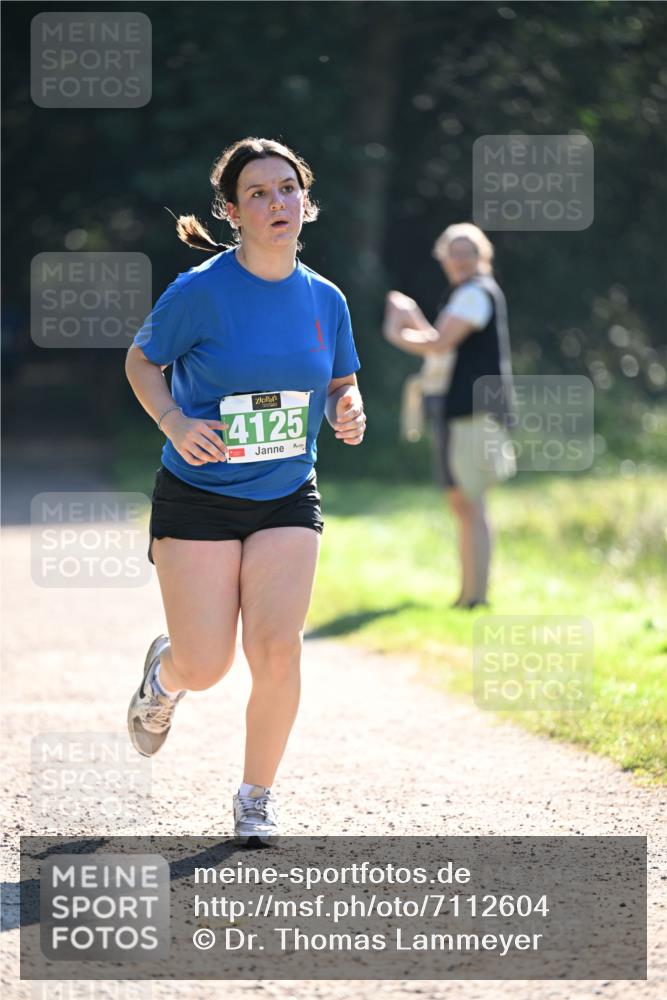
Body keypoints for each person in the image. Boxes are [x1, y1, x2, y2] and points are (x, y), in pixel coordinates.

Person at [124, 137, 365, 843]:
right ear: (232, 211)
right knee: (208, 663)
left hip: (287, 494)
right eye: (257, 193)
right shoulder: (199, 292)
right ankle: (163, 681)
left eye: (286, 188)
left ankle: (255, 798)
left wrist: (346, 408)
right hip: (198, 494)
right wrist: (173, 421)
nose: (276, 202)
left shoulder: (325, 298)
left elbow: (339, 381)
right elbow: (141, 363)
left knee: (277, 648)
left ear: (305, 200)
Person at [384, 222, 515, 608]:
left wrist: (395, 329)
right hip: (462, 411)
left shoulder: (475, 295)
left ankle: (475, 598)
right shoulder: (467, 296)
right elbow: (443, 346)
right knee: (464, 505)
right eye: (452, 253)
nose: (458, 260)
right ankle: (469, 595)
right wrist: (412, 318)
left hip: (474, 412)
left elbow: (438, 343)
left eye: (466, 252)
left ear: (482, 257)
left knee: (471, 504)